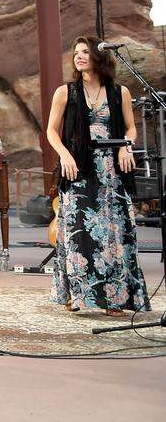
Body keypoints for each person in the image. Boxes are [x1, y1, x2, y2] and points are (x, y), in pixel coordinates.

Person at [45, 36, 149, 315]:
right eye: (76, 53)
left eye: (85, 52)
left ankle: (115, 299)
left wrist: (127, 147)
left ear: (99, 57)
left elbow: (130, 128)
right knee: (79, 234)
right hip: (79, 167)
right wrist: (65, 155)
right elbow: (51, 131)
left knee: (115, 232)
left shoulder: (120, 92)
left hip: (112, 171)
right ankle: (78, 296)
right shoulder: (65, 92)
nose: (79, 57)